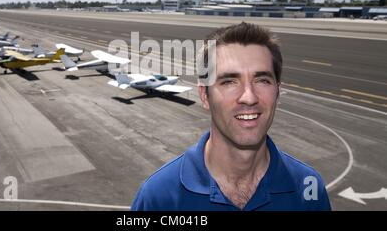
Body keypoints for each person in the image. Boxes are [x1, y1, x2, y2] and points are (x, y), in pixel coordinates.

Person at [131, 22, 331, 211]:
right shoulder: (157, 197)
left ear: (277, 92)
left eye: (262, 80)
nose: (249, 97)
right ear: (204, 95)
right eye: (229, 82)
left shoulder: (309, 189)